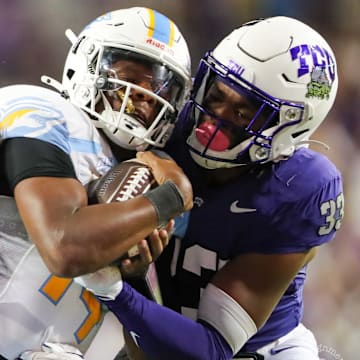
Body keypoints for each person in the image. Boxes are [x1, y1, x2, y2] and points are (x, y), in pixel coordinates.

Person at [76, 16, 344, 360]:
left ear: (289, 127)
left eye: (245, 113)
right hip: (155, 331)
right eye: (216, 94)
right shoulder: (166, 123)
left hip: (260, 352)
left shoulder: (301, 188)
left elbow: (213, 349)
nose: (215, 117)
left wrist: (112, 289)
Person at [0, 7, 193, 360]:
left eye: (159, 86)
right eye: (131, 74)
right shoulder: (46, 114)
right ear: (87, 63)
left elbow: (145, 351)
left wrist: (128, 278)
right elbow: (64, 248)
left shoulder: (140, 172)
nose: (144, 94)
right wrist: (171, 197)